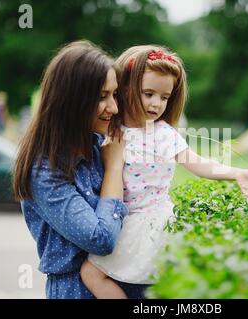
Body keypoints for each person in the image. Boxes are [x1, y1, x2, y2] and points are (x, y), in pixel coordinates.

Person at [80, 45, 248, 299]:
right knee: (96, 275)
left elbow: (197, 163)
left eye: (164, 97)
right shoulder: (110, 128)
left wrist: (235, 173)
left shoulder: (163, 134)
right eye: (148, 93)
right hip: (121, 222)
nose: (157, 104)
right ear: (125, 88)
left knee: (94, 273)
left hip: (147, 222)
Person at [12, 40, 147, 299]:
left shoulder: (100, 144)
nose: (114, 108)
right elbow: (101, 239)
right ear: (71, 101)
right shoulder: (45, 170)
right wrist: (114, 167)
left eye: (114, 94)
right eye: (102, 97)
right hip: (78, 290)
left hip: (125, 282)